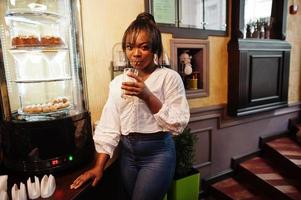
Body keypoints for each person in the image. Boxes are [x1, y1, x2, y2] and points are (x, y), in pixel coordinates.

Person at [70, 12, 190, 200]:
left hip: (157, 154)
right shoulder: (118, 82)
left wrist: (147, 95)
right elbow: (109, 125)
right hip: (127, 155)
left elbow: (178, 123)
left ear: (155, 49)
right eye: (129, 46)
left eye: (144, 47)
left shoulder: (169, 77)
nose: (136, 53)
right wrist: (98, 167)